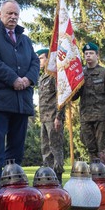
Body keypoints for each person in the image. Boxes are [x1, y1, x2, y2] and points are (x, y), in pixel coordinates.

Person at [0, 0, 40, 194]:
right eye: (9, 13)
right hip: (1, 98)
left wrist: (28, 79)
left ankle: (13, 182)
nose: (13, 17)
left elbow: (35, 62)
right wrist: (13, 79)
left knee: (17, 145)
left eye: (16, 14)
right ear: (0, 14)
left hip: (22, 100)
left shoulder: (25, 40)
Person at [74, 42, 105, 160]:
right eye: (86, 53)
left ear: (97, 55)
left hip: (102, 117)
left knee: (102, 148)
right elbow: (74, 97)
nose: (88, 55)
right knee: (90, 147)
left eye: (91, 53)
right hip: (86, 117)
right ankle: (94, 169)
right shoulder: (80, 74)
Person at [36, 48, 65, 181]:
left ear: (49, 59)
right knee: (45, 149)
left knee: (55, 148)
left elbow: (61, 98)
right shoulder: (42, 78)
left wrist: (59, 117)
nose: (39, 61)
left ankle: (57, 179)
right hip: (44, 118)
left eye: (41, 58)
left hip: (53, 118)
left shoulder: (55, 76)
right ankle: (48, 178)